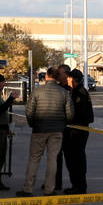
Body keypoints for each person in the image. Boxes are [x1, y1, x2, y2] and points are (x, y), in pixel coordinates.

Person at [17, 65, 73, 197]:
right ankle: (49, 189)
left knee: (34, 158)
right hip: (57, 131)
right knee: (52, 159)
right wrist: (63, 124)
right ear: (57, 77)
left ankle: (28, 188)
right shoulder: (64, 93)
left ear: (46, 76)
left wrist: (33, 124)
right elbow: (70, 114)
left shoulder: (37, 92)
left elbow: (29, 112)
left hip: (39, 129)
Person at [62, 68, 95, 194]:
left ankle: (79, 187)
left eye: (69, 77)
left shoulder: (79, 93)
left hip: (77, 132)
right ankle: (76, 184)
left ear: (74, 79)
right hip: (76, 130)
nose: (67, 79)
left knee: (76, 160)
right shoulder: (75, 91)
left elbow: (82, 114)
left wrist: (74, 128)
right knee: (73, 160)